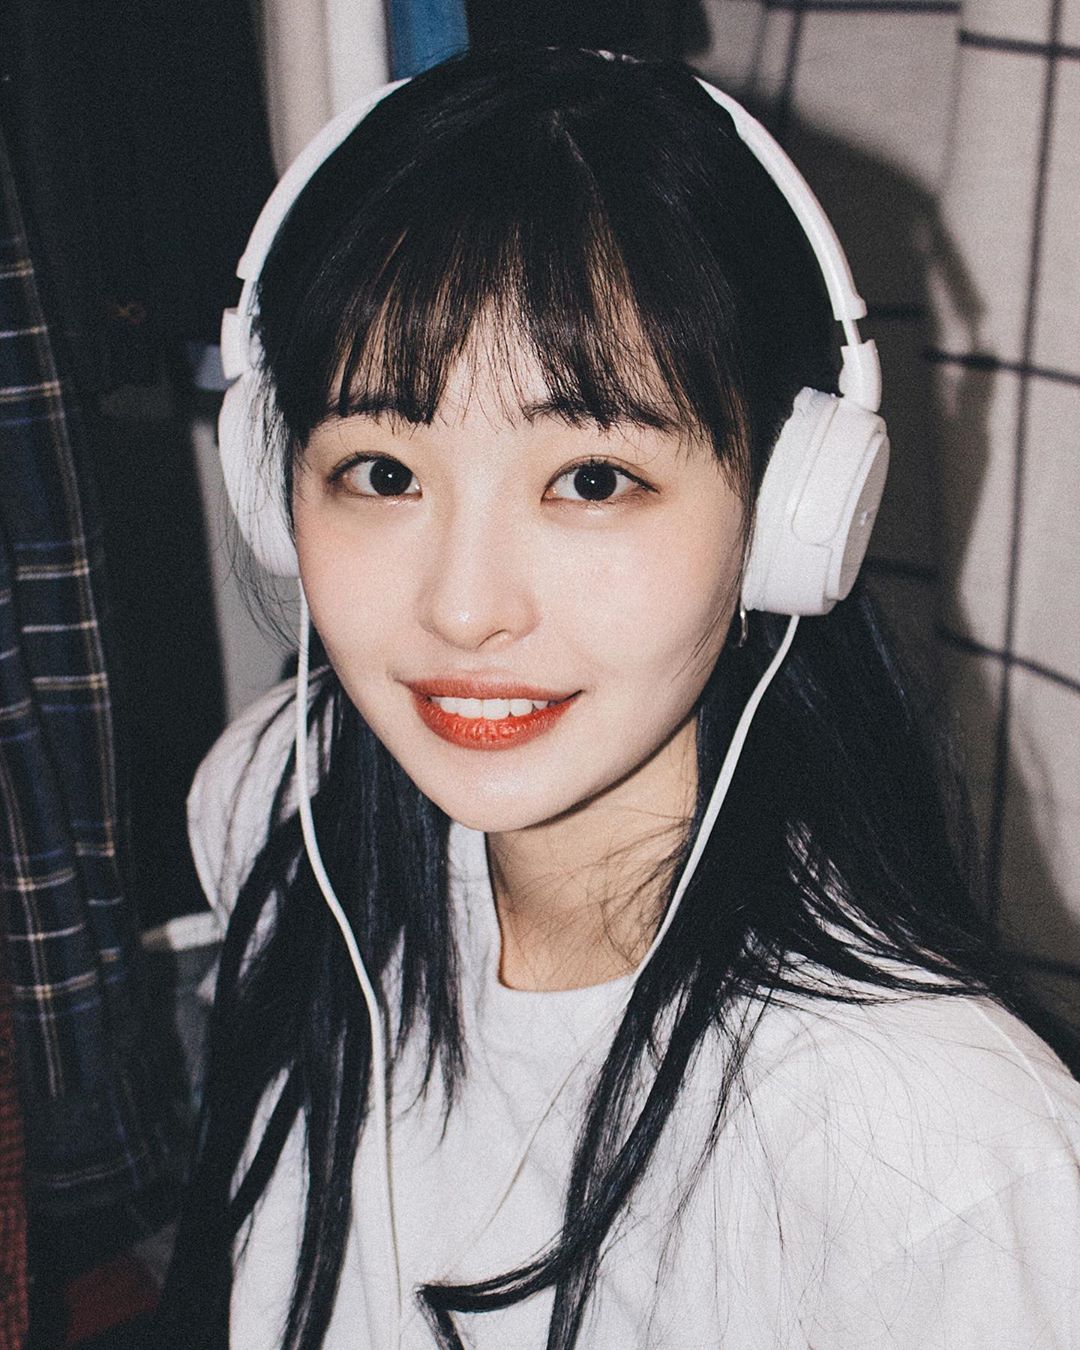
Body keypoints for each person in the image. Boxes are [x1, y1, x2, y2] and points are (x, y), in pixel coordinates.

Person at [157, 46, 1080, 1350]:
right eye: (382, 471)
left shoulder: (944, 1165)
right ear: (276, 489)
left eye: (592, 480)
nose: (465, 609)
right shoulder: (275, 814)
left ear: (793, 515)